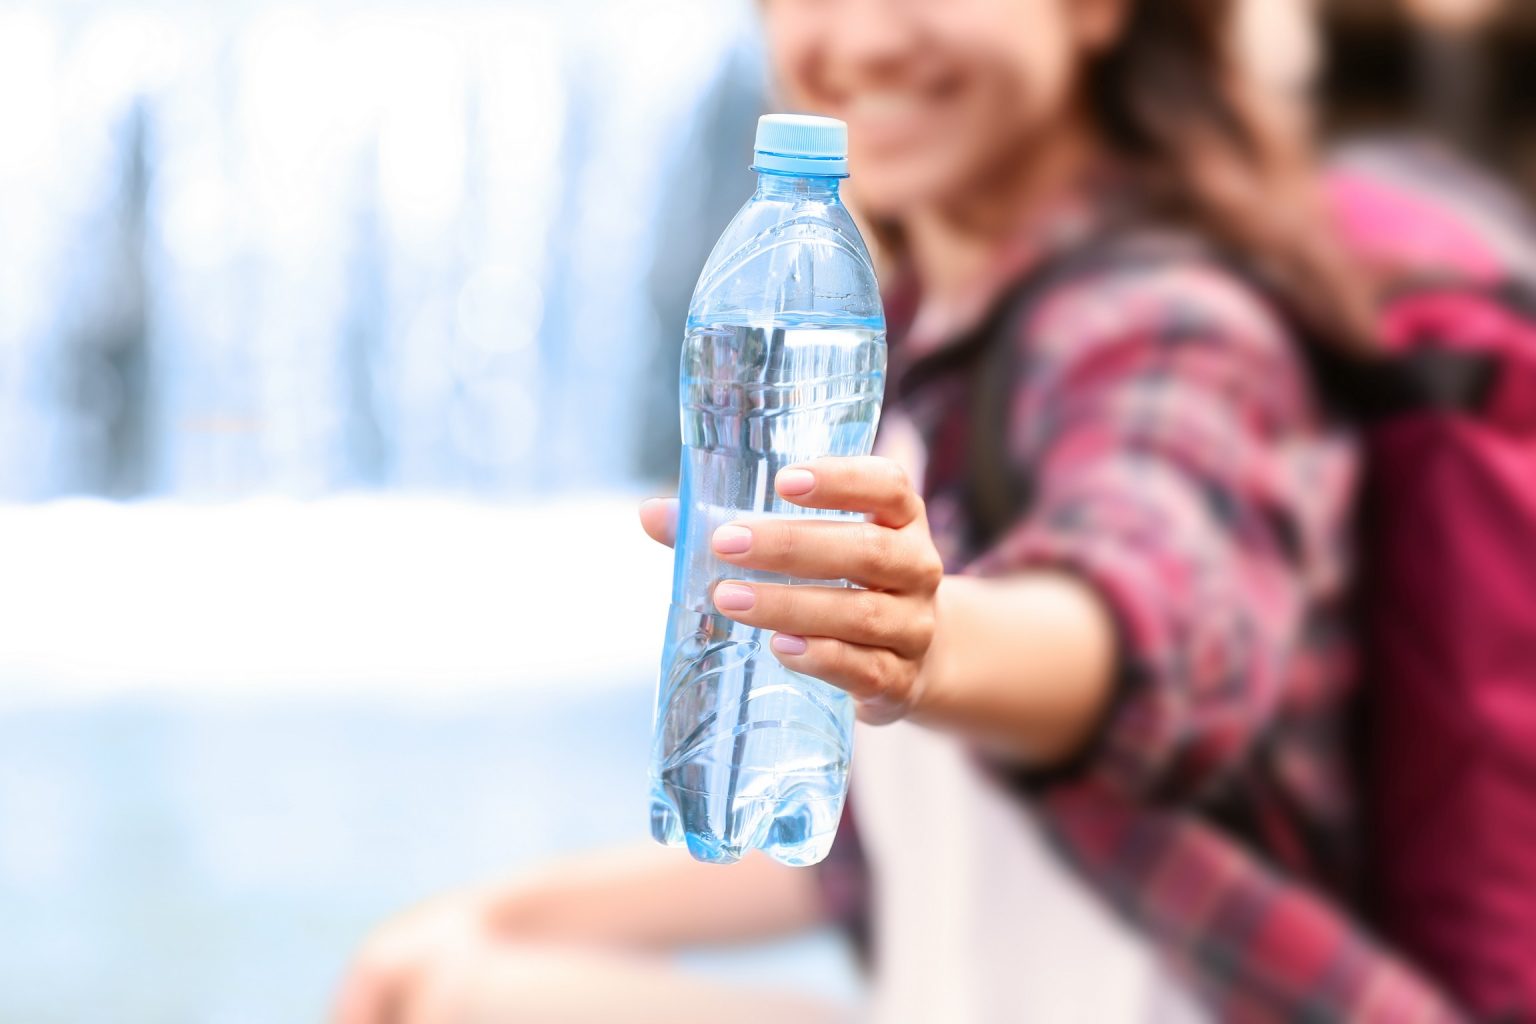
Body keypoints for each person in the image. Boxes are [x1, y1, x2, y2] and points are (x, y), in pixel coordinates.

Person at [335, 1, 1471, 1020]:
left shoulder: (1163, 319)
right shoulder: (922, 335)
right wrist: (486, 916)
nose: (866, 38)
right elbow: (875, 837)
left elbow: (1158, 618)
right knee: (446, 982)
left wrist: (925, 642)